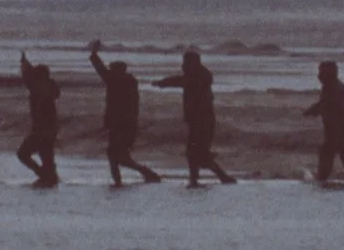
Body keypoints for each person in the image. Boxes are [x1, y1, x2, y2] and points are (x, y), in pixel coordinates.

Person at [156, 50, 236, 186]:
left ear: (194, 63)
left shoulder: (201, 77)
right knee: (194, 153)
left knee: (197, 153)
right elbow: (182, 81)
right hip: (196, 121)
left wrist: (164, 83)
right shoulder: (196, 76)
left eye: (186, 62)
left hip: (204, 122)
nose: (183, 65)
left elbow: (183, 81)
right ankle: (198, 179)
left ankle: (218, 177)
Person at [91, 47, 162, 185]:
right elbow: (102, 71)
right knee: (116, 155)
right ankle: (121, 181)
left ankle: (140, 175)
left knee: (117, 155)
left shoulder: (117, 81)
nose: (110, 72)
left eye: (113, 70)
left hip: (123, 125)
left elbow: (101, 70)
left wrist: (94, 55)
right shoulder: (127, 82)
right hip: (124, 125)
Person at [303, 60, 344, 183]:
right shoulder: (333, 87)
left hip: (337, 128)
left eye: (322, 72)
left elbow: (326, 104)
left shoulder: (334, 88)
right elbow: (325, 104)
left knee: (331, 153)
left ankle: (323, 178)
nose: (319, 76)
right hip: (337, 127)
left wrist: (312, 110)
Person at [16, 52, 60, 187]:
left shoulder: (39, 88)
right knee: (46, 156)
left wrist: (24, 63)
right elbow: (28, 75)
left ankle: (44, 175)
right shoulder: (47, 86)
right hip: (50, 128)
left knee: (23, 153)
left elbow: (28, 76)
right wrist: (24, 62)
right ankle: (49, 178)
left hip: (42, 129)